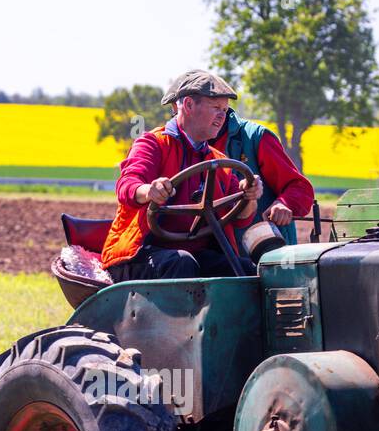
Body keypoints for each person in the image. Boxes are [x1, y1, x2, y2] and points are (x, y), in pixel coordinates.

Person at [101, 70, 263, 282]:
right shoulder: (152, 144)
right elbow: (127, 186)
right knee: (181, 263)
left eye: (225, 109)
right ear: (187, 105)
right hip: (137, 254)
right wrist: (150, 190)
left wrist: (249, 196)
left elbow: (242, 218)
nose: (222, 116)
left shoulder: (218, 161)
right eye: (215, 108)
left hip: (192, 255)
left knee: (243, 269)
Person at [209, 103, 315, 245]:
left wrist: (284, 204)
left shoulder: (256, 137)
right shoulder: (185, 143)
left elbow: (299, 188)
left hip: (262, 245)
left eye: (219, 107)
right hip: (212, 246)